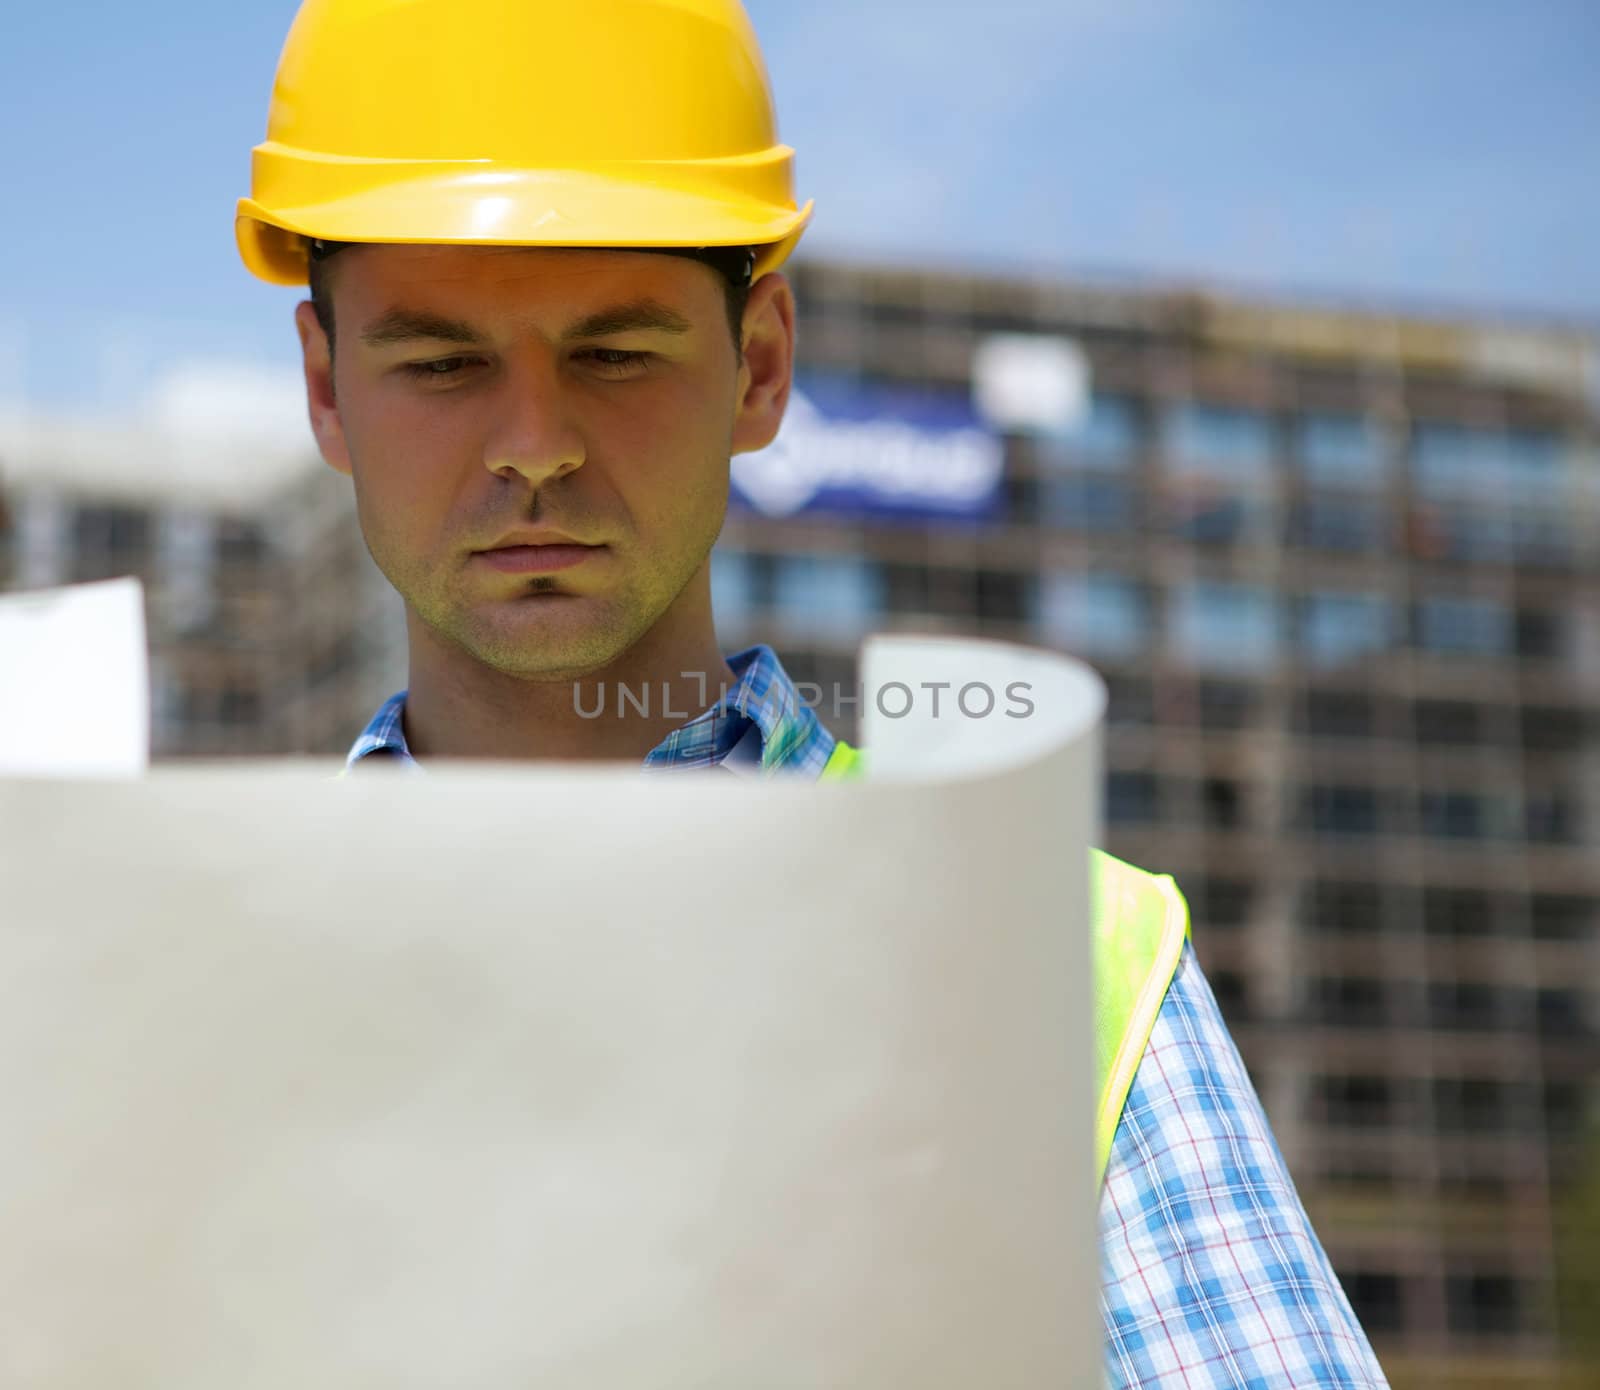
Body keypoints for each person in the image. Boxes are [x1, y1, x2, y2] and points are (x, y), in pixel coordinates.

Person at [237, 2, 1389, 1384]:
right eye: (440, 362)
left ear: (761, 367)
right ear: (324, 384)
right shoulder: (168, 979)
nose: (533, 445)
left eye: (615, 352)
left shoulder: (1045, 963)